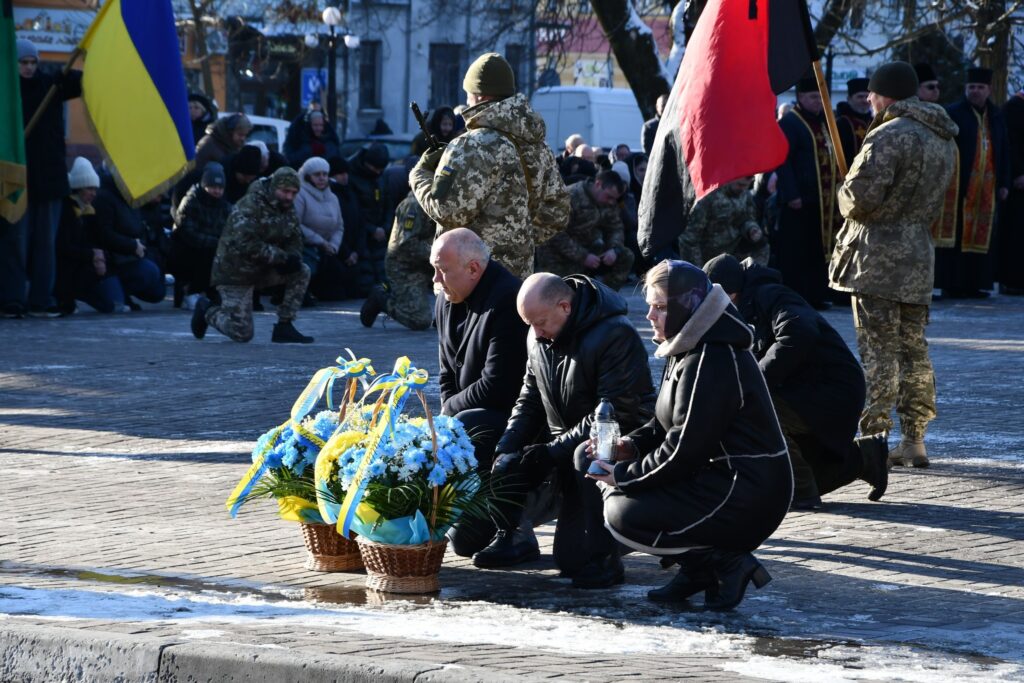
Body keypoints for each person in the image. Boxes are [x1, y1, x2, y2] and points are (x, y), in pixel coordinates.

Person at [584, 260, 792, 611]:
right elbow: (665, 424)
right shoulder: (690, 342)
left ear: (686, 306)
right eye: (651, 305)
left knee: (623, 515)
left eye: (660, 307)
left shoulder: (711, 355)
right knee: (597, 468)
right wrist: (628, 447)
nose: (649, 315)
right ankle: (700, 568)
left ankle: (724, 563)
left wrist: (622, 476)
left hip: (746, 489)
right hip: (718, 477)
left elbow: (684, 448)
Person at [483, 273, 656, 587]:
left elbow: (613, 414)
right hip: (564, 451)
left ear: (565, 306)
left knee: (573, 560)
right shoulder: (539, 334)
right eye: (530, 324)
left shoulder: (615, 334)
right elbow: (530, 399)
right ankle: (513, 535)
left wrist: (549, 453)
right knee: (506, 460)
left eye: (540, 322)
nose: (536, 332)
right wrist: (508, 445)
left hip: (613, 451)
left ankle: (625, 538)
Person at [829, 61, 958, 469]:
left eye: (872, 92)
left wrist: (844, 189)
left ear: (887, 95)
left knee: (878, 350)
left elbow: (860, 201)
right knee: (914, 350)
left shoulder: (888, 134)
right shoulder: (943, 137)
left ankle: (873, 439)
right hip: (918, 253)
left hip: (877, 257)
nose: (868, 99)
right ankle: (915, 440)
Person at [705, 254, 888, 509]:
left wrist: (755, 381)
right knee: (787, 475)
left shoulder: (771, 294)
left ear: (731, 292)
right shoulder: (746, 303)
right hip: (804, 391)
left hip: (831, 389)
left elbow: (798, 332)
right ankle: (865, 458)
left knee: (755, 412)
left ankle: (801, 494)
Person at [410, 52, 569, 279]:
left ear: (479, 96)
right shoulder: (537, 144)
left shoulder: (472, 144)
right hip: (518, 278)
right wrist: (515, 239)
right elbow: (558, 212)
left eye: (468, 94)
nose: (466, 101)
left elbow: (447, 210)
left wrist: (420, 173)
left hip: (469, 279)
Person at [431, 229, 530, 558]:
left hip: (508, 422)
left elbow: (498, 384)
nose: (435, 279)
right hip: (466, 421)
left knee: (472, 421)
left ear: (473, 269)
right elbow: (446, 370)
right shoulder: (446, 298)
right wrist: (448, 413)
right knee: (462, 542)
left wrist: (449, 415)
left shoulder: (507, 300)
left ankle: (515, 526)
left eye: (442, 270)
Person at [1, 39, 82, 318]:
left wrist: (72, 69)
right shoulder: (6, 91)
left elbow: (83, 83)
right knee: (16, 242)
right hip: (16, 178)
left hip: (49, 179)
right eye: (23, 62)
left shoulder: (51, 86)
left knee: (46, 244)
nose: (28, 68)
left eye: (32, 62)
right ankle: (12, 298)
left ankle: (41, 299)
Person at [191, 168, 314, 344]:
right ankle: (207, 310)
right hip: (234, 272)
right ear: (274, 187)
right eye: (285, 191)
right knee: (242, 333)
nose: (289, 197)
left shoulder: (287, 208)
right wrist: (281, 257)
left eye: (294, 193)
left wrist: (292, 257)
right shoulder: (250, 205)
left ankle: (284, 325)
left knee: (301, 270)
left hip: (263, 268)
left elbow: (295, 238)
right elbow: (245, 244)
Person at [935, 67, 1011, 298]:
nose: (975, 91)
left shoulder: (996, 115)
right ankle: (954, 284)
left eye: (980, 87)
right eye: (971, 87)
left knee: (983, 234)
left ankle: (976, 284)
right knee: (959, 234)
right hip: (960, 186)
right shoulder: (953, 113)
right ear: (965, 89)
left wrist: (1004, 183)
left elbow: (1004, 150)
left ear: (988, 89)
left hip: (987, 187)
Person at [775, 77, 841, 309]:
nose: (818, 102)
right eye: (814, 97)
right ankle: (797, 297)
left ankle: (817, 295)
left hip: (824, 202)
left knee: (818, 250)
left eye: (821, 97)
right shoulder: (790, 123)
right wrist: (791, 194)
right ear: (801, 97)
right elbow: (782, 161)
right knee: (798, 251)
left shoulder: (824, 122)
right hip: (799, 201)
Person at [536, 171, 634, 290]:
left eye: (614, 199)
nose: (611, 202)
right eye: (609, 197)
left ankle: (605, 297)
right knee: (563, 289)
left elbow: (615, 227)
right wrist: (583, 256)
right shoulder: (570, 196)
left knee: (626, 256)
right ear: (598, 184)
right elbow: (554, 233)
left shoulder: (609, 202)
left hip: (590, 247)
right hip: (558, 253)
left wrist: (613, 249)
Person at [360, 190, 435, 330]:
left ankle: (447, 317)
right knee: (420, 320)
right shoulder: (413, 206)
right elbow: (407, 244)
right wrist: (438, 252)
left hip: (430, 263)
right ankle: (381, 299)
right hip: (405, 267)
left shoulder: (444, 203)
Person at [54, 158, 121, 314]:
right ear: (78, 188)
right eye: (89, 189)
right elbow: (63, 246)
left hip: (86, 264)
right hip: (70, 268)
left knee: (113, 303)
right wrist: (93, 255)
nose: (93, 193)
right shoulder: (66, 211)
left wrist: (99, 256)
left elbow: (98, 239)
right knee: (109, 304)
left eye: (95, 189)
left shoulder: (90, 210)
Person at [92, 170, 166, 309]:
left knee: (157, 289)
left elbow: (141, 227)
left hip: (127, 257)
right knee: (113, 304)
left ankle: (122, 291)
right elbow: (104, 234)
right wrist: (131, 245)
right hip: (109, 261)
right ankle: (110, 292)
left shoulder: (132, 198)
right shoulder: (105, 198)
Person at [171, 162, 231, 309]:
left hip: (212, 246)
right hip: (187, 249)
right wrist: (215, 242)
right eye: (213, 187)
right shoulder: (191, 201)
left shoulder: (225, 206)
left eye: (220, 188)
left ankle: (215, 291)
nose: (216, 191)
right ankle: (191, 291)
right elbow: (187, 232)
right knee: (207, 254)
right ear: (204, 185)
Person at [678, 177, 769, 268]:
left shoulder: (744, 195)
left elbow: (745, 218)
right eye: (740, 185)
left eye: (746, 185)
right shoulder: (708, 197)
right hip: (708, 256)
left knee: (762, 247)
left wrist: (751, 229)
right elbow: (689, 239)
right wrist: (698, 271)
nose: (743, 189)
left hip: (733, 251)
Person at [294, 156, 344, 307]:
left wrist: (333, 245)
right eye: (317, 175)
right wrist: (320, 242)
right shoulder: (300, 194)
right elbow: (296, 224)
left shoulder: (333, 197)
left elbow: (339, 226)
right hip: (306, 247)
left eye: (325, 174)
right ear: (308, 176)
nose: (322, 178)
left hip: (328, 248)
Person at [348, 143, 392, 288]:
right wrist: (371, 229)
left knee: (384, 273)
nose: (378, 172)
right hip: (362, 233)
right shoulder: (352, 176)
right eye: (375, 168)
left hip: (379, 230)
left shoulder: (380, 176)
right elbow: (354, 210)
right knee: (365, 277)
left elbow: (387, 203)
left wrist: (384, 227)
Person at [999, 87, 1024, 295]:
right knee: (1017, 231)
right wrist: (1018, 173)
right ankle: (1013, 280)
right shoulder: (1014, 108)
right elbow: (1010, 145)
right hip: (1019, 182)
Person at [836, 78, 873, 162]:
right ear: (849, 99)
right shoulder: (841, 123)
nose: (864, 100)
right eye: (860, 97)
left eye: (867, 96)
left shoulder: (875, 121)